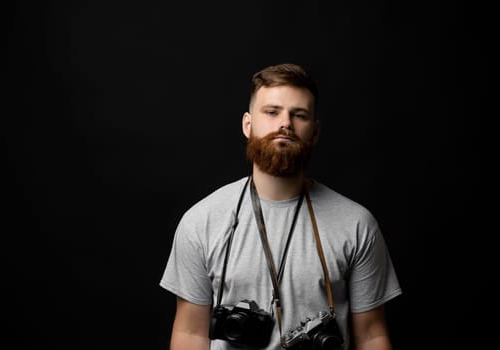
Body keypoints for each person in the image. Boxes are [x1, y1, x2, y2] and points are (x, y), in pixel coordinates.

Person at [159, 63, 402, 350]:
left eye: (299, 115)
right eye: (272, 112)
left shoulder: (357, 224)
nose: (285, 123)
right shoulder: (202, 221)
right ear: (247, 125)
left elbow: (371, 336)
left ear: (315, 131)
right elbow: (190, 333)